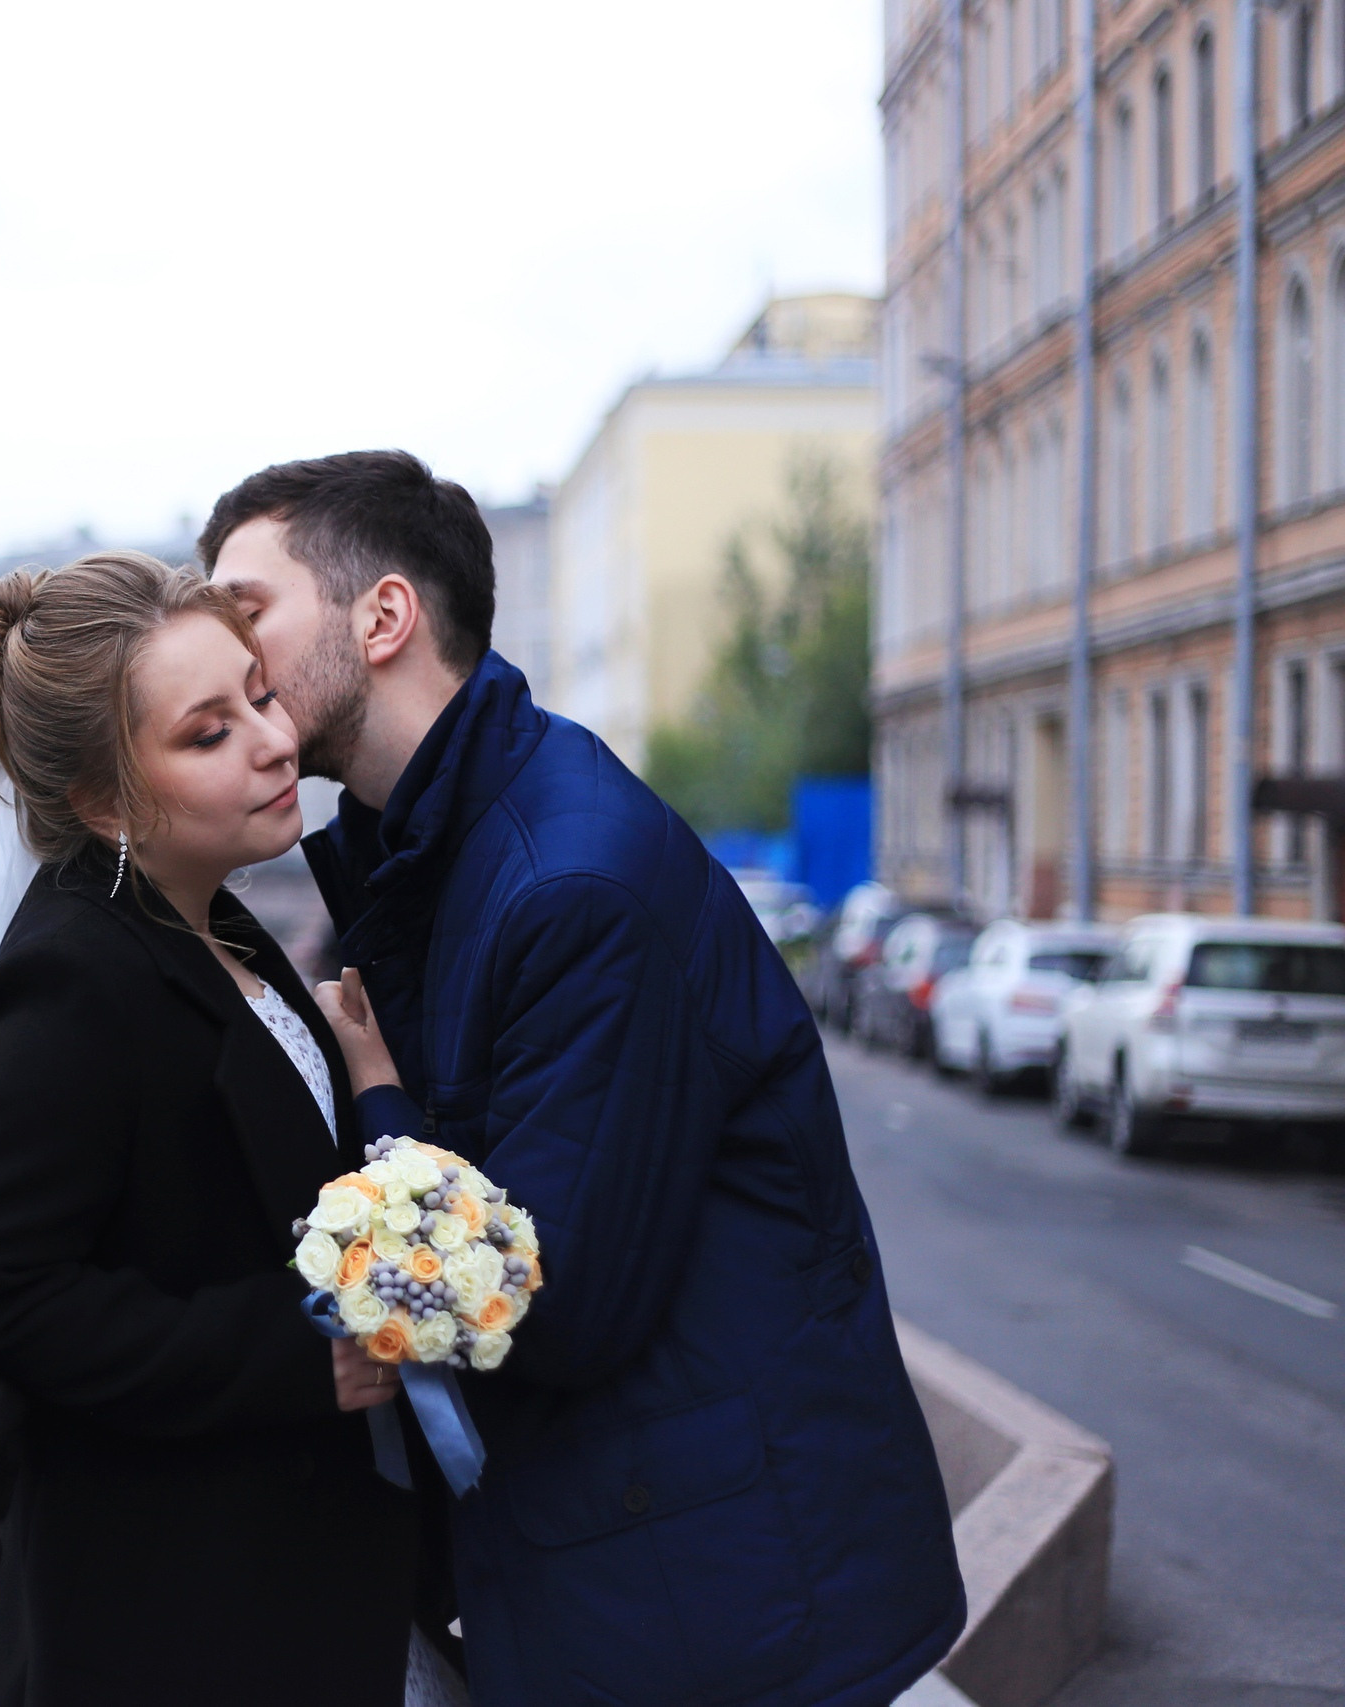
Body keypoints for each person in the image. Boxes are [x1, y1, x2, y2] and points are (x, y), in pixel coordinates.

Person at [202, 451, 967, 1707]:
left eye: (247, 612)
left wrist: (380, 1103)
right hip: (654, 1552)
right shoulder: (447, 855)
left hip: (715, 1595)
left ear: (381, 618)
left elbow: (549, 1296)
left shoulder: (569, 885)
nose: (224, 656)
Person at [0, 551, 428, 1707]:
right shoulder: (72, 978)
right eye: (207, 733)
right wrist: (300, 1350)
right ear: (103, 803)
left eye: (256, 693)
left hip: (287, 1590)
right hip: (177, 1626)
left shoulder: (214, 925)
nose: (273, 739)